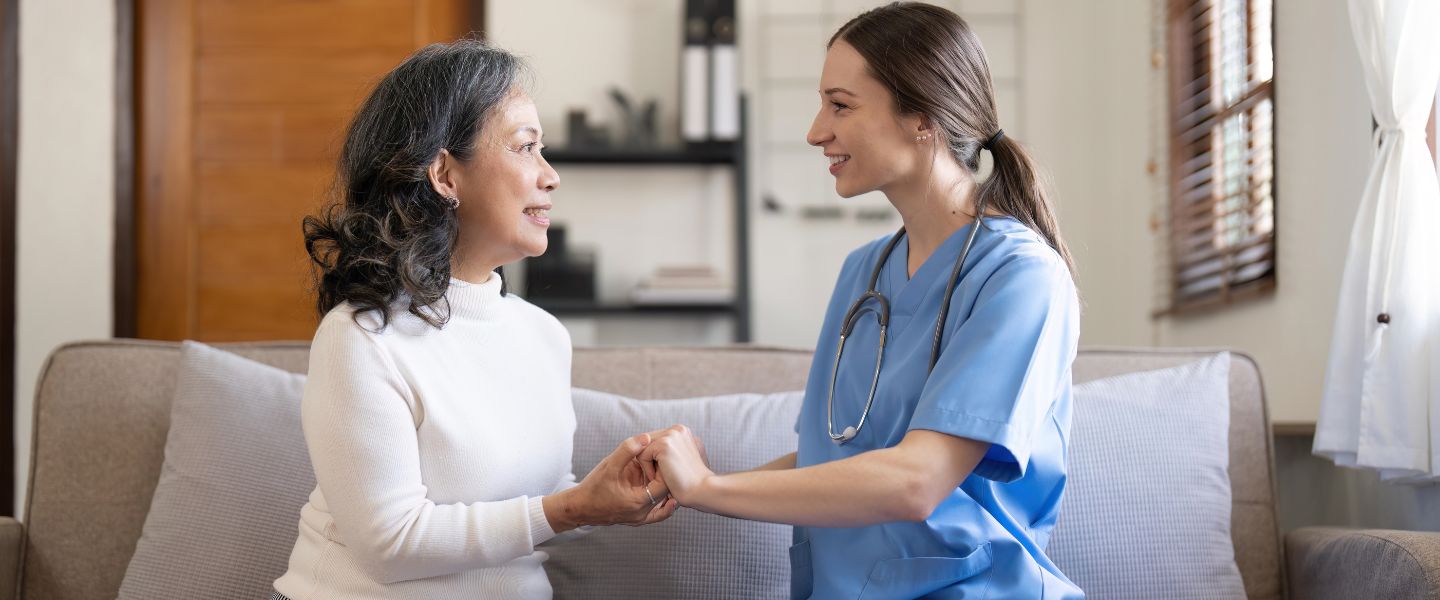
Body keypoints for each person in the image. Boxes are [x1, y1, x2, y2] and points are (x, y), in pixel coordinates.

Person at [640, 3, 1083, 598]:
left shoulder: (1021, 276)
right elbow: (829, 459)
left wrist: (709, 489)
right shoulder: (863, 274)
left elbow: (916, 482)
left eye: (840, 105)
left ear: (921, 116)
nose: (815, 130)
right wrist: (693, 481)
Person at [272, 39, 676, 600]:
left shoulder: (542, 335)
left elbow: (538, 504)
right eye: (525, 148)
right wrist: (571, 507)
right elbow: (389, 545)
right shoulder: (362, 337)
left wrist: (612, 497)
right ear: (444, 174)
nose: (550, 175)